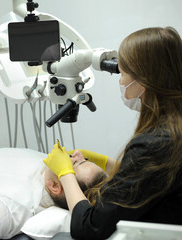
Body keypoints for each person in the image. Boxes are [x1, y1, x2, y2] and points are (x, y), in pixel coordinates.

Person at [43, 26, 182, 239]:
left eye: (123, 73)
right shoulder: (171, 131)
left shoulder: (155, 143)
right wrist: (106, 162)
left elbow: (89, 228)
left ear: (143, 82)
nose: (121, 81)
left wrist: (65, 173)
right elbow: (152, 180)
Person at [0, 148, 108, 239]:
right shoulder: (45, 173)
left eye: (75, 164)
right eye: (85, 160)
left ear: (55, 186)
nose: (77, 154)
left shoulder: (12, 208)